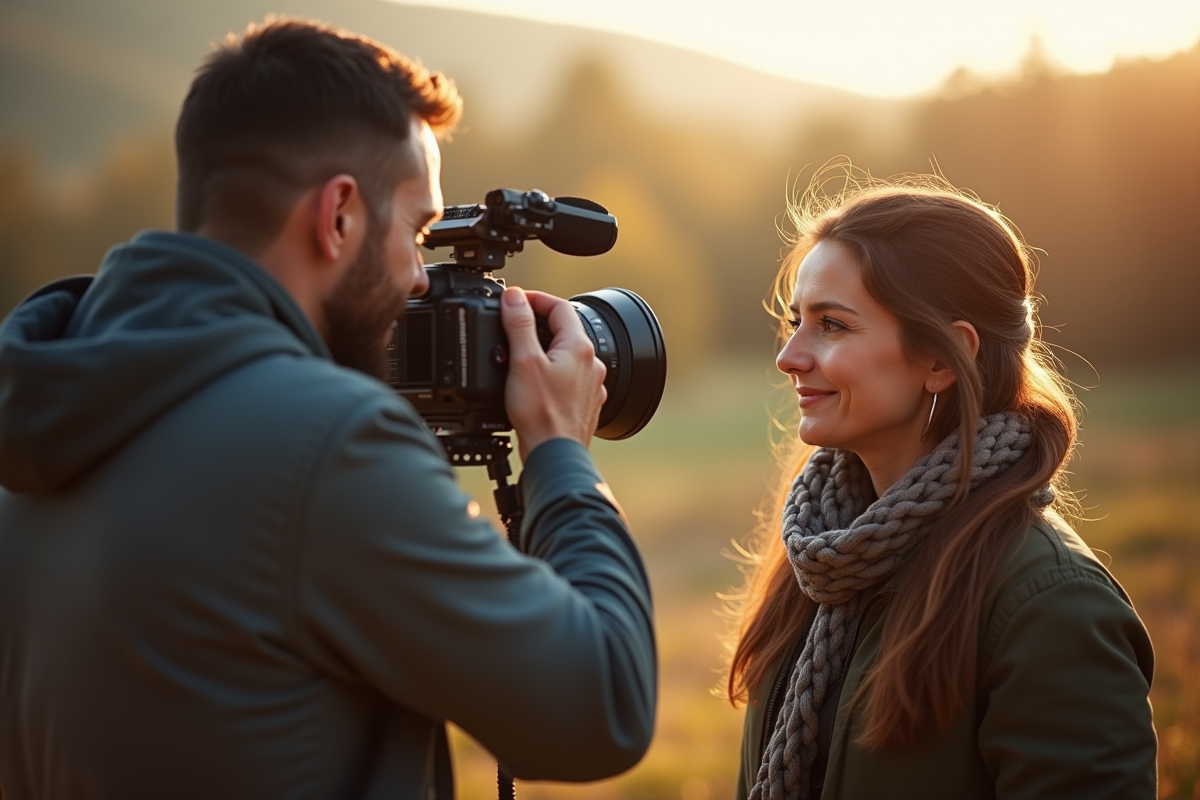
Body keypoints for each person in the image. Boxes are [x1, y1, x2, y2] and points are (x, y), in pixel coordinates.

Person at [0, 18, 656, 799]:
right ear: (338, 215)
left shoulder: (43, 407)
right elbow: (601, 706)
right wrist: (560, 453)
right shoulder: (326, 446)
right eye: (416, 229)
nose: (421, 277)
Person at [724, 171, 1156, 799]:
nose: (789, 355)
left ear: (940, 358)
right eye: (794, 321)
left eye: (832, 325)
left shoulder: (1049, 604)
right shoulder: (822, 551)